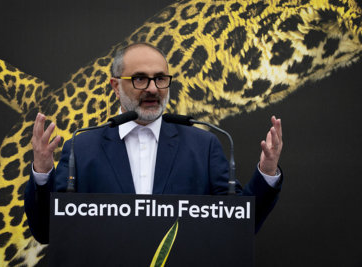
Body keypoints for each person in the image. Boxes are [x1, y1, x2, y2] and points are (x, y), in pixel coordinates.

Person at [25, 43, 283, 244]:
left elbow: (237, 227)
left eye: (160, 78)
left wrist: (267, 173)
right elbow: (47, 231)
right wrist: (42, 173)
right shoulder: (81, 149)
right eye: (140, 79)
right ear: (116, 86)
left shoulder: (203, 146)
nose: (152, 88)